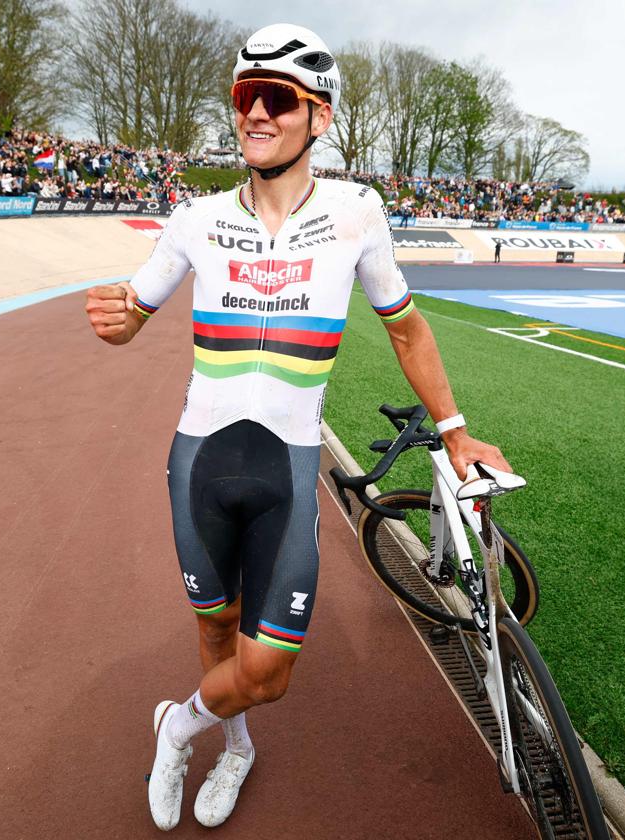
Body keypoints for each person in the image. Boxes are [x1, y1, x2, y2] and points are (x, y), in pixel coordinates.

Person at [83, 23, 513, 832]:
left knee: (269, 668)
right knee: (215, 633)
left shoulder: (356, 213)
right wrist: (114, 318)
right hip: (199, 464)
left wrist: (455, 431)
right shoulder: (196, 218)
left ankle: (177, 726)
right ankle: (233, 747)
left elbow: (407, 328)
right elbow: (131, 313)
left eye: (275, 99)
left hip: (286, 467)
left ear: (318, 117)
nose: (254, 113)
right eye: (246, 96)